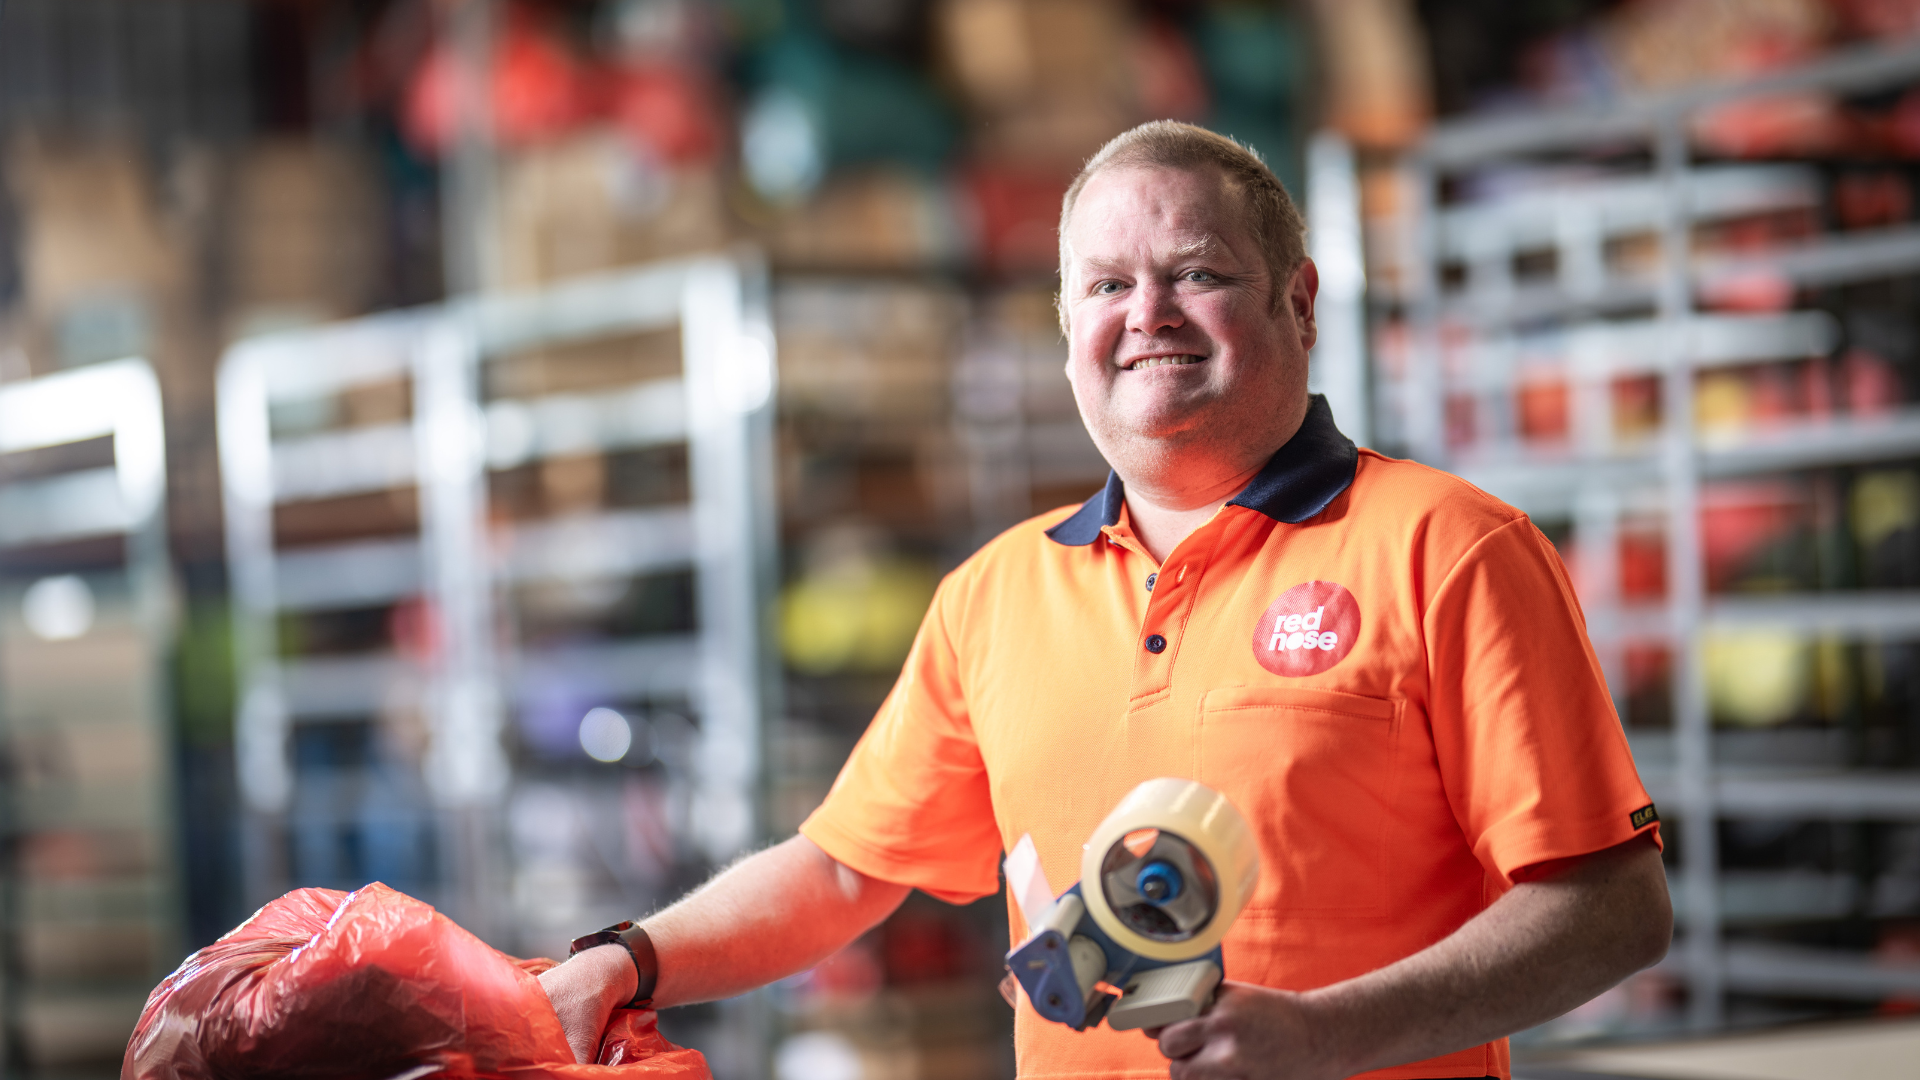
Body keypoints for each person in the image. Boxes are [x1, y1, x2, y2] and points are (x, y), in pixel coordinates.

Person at [540, 121, 1672, 1080]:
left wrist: (1327, 1036)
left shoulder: (1450, 547)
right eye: (1108, 285)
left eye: (1198, 273)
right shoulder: (993, 595)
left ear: (1300, 300)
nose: (1150, 314)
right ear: (1067, 325)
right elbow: (845, 870)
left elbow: (1613, 907)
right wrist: (629, 960)